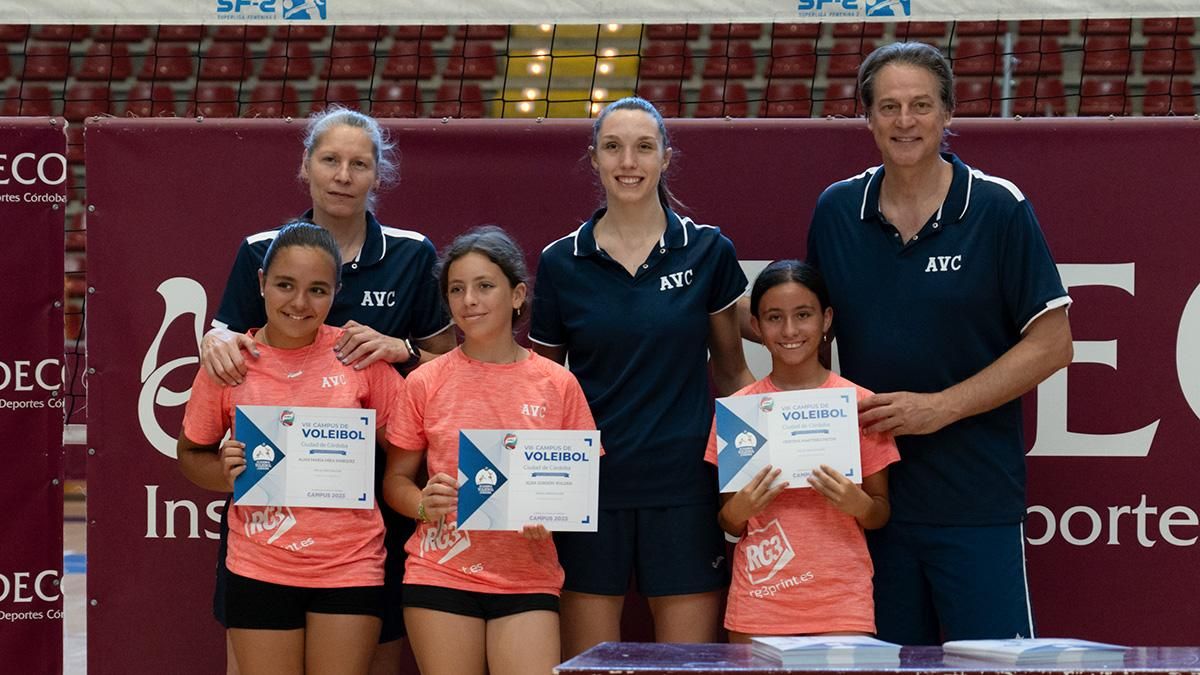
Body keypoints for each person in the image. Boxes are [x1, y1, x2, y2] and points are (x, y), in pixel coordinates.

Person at [804, 42, 1074, 644]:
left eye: (921, 105)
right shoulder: (837, 210)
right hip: (873, 504)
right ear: (868, 117)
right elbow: (809, 337)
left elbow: (1054, 344)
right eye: (890, 107)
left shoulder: (998, 208)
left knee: (991, 663)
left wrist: (937, 408)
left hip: (974, 500)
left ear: (949, 114)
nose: (906, 122)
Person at [198, 106, 456, 673]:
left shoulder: (411, 253)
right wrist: (210, 343)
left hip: (371, 497)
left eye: (359, 163)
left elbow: (454, 363)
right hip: (272, 502)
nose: (343, 175)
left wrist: (402, 350)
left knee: (374, 653)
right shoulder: (260, 249)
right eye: (331, 160)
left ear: (377, 175)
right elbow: (227, 346)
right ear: (306, 167)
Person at [530, 96, 754, 656]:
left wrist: (755, 474)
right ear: (594, 159)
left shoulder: (708, 249)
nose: (628, 161)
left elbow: (732, 375)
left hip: (685, 488)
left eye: (643, 147)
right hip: (588, 490)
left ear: (665, 158)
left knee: (687, 668)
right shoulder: (561, 262)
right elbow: (541, 390)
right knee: (590, 667)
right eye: (613, 147)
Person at [178, 221, 402, 675]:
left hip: (350, 564)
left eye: (317, 290)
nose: (300, 303)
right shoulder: (229, 361)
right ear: (261, 283)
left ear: (336, 291)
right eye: (285, 285)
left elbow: (408, 449)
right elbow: (191, 455)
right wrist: (224, 472)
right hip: (259, 564)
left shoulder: (357, 357)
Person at [383, 226, 597, 675]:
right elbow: (396, 482)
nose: (469, 300)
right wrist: (422, 504)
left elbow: (580, 487)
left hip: (527, 576)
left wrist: (553, 514)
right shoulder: (425, 380)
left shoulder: (558, 383)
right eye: (457, 289)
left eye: (484, 286)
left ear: (518, 295)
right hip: (440, 570)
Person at [706, 260, 899, 642]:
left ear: (826, 319)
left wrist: (856, 503)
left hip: (842, 602)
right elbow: (730, 521)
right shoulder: (740, 412)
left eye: (803, 315)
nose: (790, 330)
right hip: (760, 601)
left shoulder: (859, 405)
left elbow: (879, 513)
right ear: (756, 328)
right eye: (775, 317)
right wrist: (741, 510)